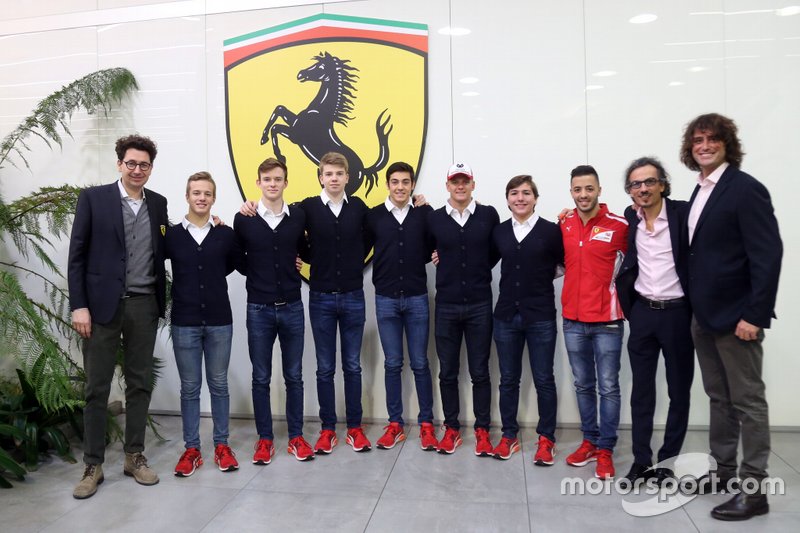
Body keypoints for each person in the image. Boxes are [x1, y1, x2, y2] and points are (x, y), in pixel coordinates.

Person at [680, 113, 782, 521]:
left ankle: (754, 490)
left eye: (712, 139)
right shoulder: (702, 189)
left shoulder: (744, 189)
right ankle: (723, 473)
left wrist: (754, 314)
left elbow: (767, 255)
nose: (704, 145)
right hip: (704, 316)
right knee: (719, 399)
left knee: (748, 402)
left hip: (737, 318)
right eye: (697, 140)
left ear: (727, 144)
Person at [69, 134, 168, 499]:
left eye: (144, 165)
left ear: (150, 168)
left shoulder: (158, 204)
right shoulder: (94, 199)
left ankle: (133, 456)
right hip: (99, 309)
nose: (137, 169)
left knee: (140, 383)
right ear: (119, 164)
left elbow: (166, 247)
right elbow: (76, 255)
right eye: (131, 163)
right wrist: (79, 305)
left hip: (144, 306)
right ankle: (93, 465)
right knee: (96, 388)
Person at [614, 157, 693, 485]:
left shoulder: (683, 215)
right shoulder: (631, 218)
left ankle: (667, 462)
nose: (643, 188)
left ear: (662, 183)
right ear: (630, 191)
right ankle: (641, 462)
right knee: (641, 392)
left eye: (649, 182)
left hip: (678, 314)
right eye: (636, 184)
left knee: (679, 391)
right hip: (644, 314)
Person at [234, 158, 314, 464]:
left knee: (294, 376)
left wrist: (298, 262)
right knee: (261, 377)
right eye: (266, 179)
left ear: (285, 183)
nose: (272, 183)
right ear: (258, 183)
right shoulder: (245, 218)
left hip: (292, 306)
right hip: (259, 308)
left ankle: (296, 437)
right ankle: (265, 439)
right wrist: (258, 272)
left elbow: (306, 252)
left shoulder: (298, 217)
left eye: (278, 179)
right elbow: (237, 257)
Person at [166, 172, 242, 476]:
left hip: (219, 320)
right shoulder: (171, 235)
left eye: (207, 193)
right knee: (190, 387)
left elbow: (235, 264)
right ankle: (192, 448)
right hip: (184, 320)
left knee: (219, 384)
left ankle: (222, 445)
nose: (201, 198)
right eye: (196, 193)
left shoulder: (225, 234)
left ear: (213, 198)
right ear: (187, 196)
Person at [300, 152, 373, 454]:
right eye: (328, 173)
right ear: (320, 177)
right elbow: (290, 233)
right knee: (325, 367)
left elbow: (371, 238)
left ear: (347, 177)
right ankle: (328, 429)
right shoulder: (307, 208)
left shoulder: (358, 208)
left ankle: (354, 428)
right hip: (321, 297)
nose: (333, 178)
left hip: (354, 295)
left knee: (353, 366)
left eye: (338, 173)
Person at [427, 162, 499, 456]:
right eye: (454, 181)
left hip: (480, 303)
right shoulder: (434, 219)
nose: (460, 186)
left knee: (480, 371)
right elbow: (425, 249)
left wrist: (477, 269)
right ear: (447, 185)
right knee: (448, 372)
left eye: (465, 181)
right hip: (446, 304)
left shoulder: (488, 214)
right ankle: (452, 428)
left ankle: (482, 429)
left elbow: (496, 250)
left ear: (472, 184)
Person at [560, 164, 628, 479]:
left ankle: (606, 449)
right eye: (577, 189)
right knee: (583, 384)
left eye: (589, 189)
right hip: (572, 320)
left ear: (599, 190)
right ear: (571, 192)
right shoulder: (564, 224)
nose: (583, 194)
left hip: (608, 321)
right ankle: (589, 440)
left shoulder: (620, 226)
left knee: (609, 386)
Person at [366, 162, 438, 451]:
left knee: (420, 363)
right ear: (387, 184)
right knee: (392, 363)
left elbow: (443, 238)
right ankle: (394, 423)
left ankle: (427, 424)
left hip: (417, 297)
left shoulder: (424, 214)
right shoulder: (373, 217)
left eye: (405, 182)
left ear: (412, 185)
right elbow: (349, 246)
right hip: (385, 299)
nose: (400, 187)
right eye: (394, 182)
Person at [491, 175, 563, 462]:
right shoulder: (499, 232)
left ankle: (546, 438)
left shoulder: (551, 231)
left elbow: (564, 264)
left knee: (544, 378)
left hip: (540, 316)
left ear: (535, 197)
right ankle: (509, 435)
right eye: (514, 193)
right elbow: (480, 260)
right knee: (508, 379)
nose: (520, 198)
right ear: (507, 199)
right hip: (506, 315)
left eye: (526, 193)